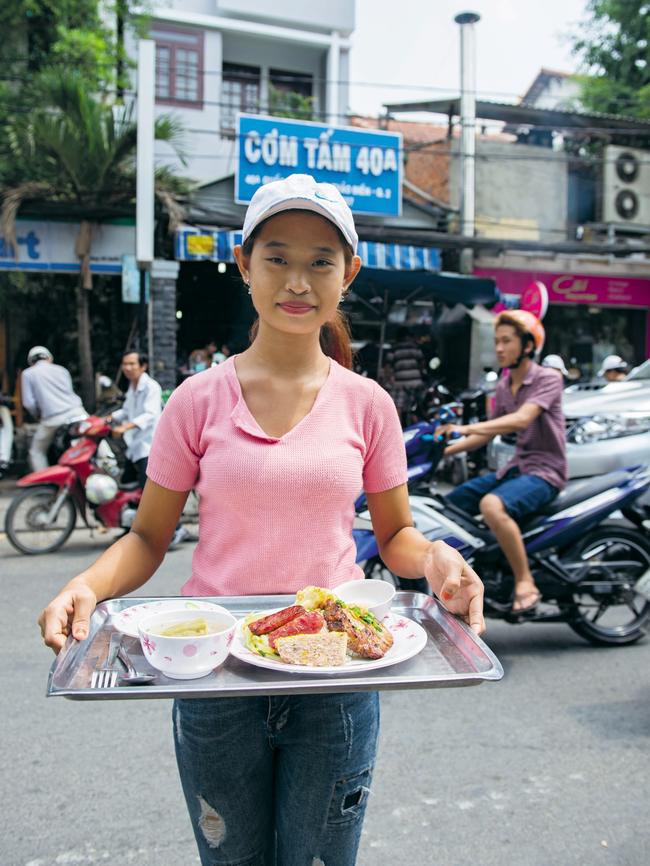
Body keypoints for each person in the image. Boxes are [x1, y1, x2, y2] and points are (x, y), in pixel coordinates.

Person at [38, 173, 484, 866]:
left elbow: (395, 536)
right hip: (214, 675)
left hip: (335, 679)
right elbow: (150, 536)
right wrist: (88, 587)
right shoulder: (195, 401)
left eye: (320, 261)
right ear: (245, 264)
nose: (297, 281)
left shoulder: (369, 406)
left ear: (349, 273)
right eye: (277, 257)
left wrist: (435, 560)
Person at [439, 310, 567, 615]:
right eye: (496, 341)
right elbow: (487, 433)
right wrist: (440, 452)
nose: (499, 348)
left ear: (526, 346)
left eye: (506, 341)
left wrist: (465, 428)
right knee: (449, 505)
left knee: (491, 506)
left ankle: (525, 581)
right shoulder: (503, 386)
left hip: (546, 471)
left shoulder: (547, 379)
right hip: (516, 468)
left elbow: (521, 420)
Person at [104, 350, 188, 548]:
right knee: (131, 489)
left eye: (132, 364)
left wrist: (126, 426)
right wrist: (110, 418)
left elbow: (150, 415)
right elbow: (127, 410)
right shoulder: (132, 388)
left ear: (143, 366)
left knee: (152, 494)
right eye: (125, 364)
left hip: (149, 447)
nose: (128, 368)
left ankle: (176, 529)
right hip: (135, 447)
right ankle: (132, 528)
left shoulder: (151, 387)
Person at [21, 346, 87, 471]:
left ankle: (45, 482)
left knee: (36, 451)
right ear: (49, 358)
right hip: (77, 412)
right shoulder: (62, 370)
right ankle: (111, 464)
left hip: (52, 419)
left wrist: (38, 415)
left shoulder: (28, 373)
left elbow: (29, 403)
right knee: (93, 437)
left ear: (31, 361)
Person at [383, 326, 425, 424]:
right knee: (413, 407)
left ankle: (398, 429)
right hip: (416, 382)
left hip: (400, 383)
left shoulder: (394, 348)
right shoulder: (415, 347)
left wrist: (389, 379)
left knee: (398, 407)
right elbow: (422, 363)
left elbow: (388, 367)